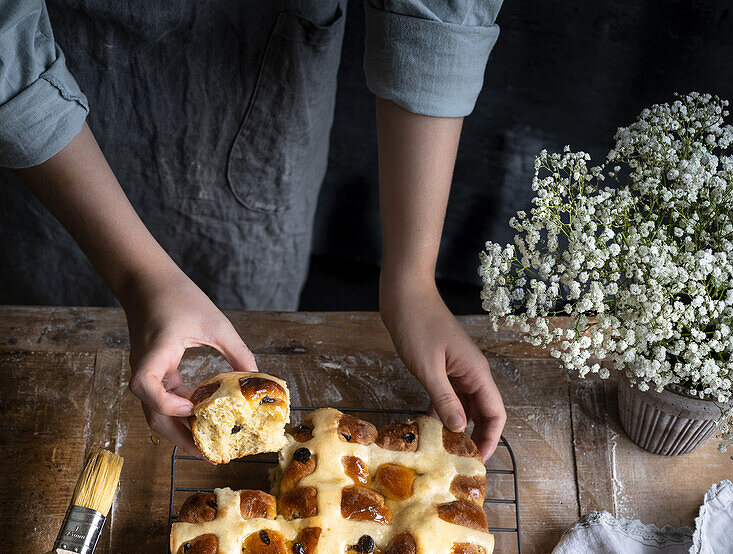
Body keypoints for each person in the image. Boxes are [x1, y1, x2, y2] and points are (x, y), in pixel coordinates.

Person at [0, 0, 507, 458]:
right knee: (55, 340)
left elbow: (440, 12)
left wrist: (412, 279)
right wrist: (140, 278)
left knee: (252, 309)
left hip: (261, 86)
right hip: (53, 145)